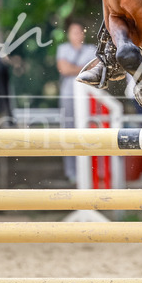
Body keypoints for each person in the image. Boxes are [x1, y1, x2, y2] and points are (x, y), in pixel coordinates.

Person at [57, 20, 98, 181]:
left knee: (89, 131)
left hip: (88, 97)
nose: (76, 35)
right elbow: (64, 69)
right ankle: (72, 172)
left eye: (79, 32)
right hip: (68, 95)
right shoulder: (63, 49)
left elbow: (95, 70)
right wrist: (83, 68)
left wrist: (73, 68)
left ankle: (90, 171)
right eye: (73, 32)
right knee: (69, 132)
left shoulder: (91, 49)